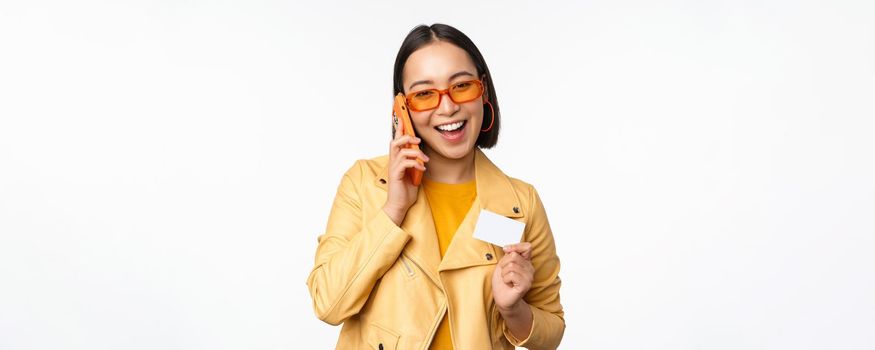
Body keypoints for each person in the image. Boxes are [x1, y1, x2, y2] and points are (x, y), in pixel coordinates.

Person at [307, 23, 564, 349]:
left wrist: (513, 309)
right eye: (425, 93)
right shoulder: (364, 184)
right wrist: (393, 209)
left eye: (462, 85)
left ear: (482, 91)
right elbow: (327, 302)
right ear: (402, 109)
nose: (448, 107)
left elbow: (552, 330)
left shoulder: (519, 203)